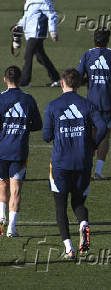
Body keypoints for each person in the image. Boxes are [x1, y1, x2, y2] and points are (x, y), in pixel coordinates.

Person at [43, 68, 107, 259]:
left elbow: (46, 136)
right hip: (83, 162)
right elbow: (103, 126)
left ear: (62, 83)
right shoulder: (87, 105)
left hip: (61, 163)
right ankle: (83, 223)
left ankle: (69, 248)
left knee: (60, 206)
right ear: (78, 85)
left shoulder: (53, 106)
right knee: (78, 201)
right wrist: (93, 145)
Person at [78, 27, 111, 180]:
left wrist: (89, 80)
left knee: (90, 134)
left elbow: (78, 78)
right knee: (105, 136)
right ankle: (98, 172)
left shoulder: (87, 55)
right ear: (107, 40)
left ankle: (85, 168)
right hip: (108, 103)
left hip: (91, 103)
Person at [0, 66, 42, 237]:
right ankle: (11, 228)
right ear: (21, 79)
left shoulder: (0, 99)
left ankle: (1, 218)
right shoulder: (28, 99)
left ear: (5, 79)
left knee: (2, 183)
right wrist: (23, 127)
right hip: (19, 150)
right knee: (16, 189)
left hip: (1, 149)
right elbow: (38, 125)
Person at [15, 0, 61, 88]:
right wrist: (19, 25)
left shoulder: (43, 1)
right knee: (41, 57)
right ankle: (56, 78)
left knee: (28, 55)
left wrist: (52, 30)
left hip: (37, 33)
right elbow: (26, 17)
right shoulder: (29, 2)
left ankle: (24, 82)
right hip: (31, 34)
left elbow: (52, 14)